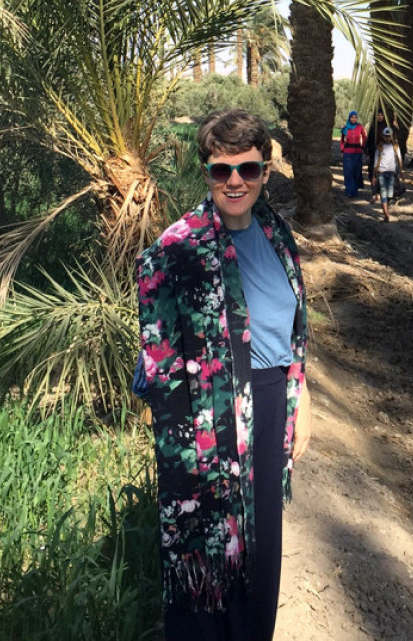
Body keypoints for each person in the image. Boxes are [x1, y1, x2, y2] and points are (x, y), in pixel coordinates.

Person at [135, 109, 312, 641]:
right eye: (221, 170)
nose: (235, 181)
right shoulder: (176, 250)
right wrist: (188, 458)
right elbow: (159, 365)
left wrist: (301, 401)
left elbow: (294, 334)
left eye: (248, 169)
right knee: (209, 559)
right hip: (207, 426)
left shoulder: (278, 235)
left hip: (272, 399)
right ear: (206, 172)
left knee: (260, 551)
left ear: (264, 170)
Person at [371, 127, 402, 223]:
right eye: (386, 136)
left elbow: (399, 160)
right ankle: (386, 214)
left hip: (392, 173)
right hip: (382, 173)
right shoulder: (379, 147)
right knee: (384, 193)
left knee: (390, 194)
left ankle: (385, 206)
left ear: (391, 136)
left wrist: (401, 172)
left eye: (389, 136)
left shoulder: (395, 147)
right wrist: (374, 175)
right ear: (383, 136)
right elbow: (376, 162)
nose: (387, 138)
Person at [339, 110, 366, 197]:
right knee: (348, 172)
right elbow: (342, 140)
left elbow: (365, 138)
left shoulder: (360, 127)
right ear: (349, 118)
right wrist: (342, 150)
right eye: (352, 117)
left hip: (357, 153)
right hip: (347, 153)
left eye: (355, 117)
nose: (354, 119)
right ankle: (349, 191)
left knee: (356, 171)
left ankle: (354, 189)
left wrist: (362, 147)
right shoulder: (346, 127)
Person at [364, 109, 387, 189]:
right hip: (373, 150)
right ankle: (374, 190)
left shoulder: (386, 126)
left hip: (383, 151)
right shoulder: (373, 126)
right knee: (372, 170)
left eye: (381, 115)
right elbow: (369, 138)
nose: (380, 117)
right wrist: (366, 149)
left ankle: (381, 189)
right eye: (378, 115)